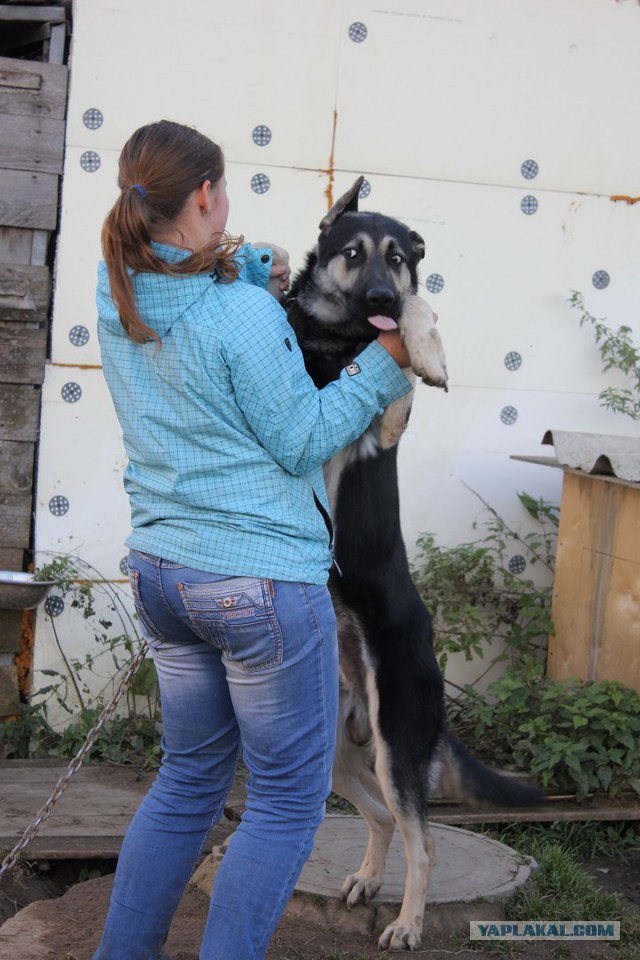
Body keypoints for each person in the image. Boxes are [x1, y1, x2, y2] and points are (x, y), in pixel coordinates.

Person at [93, 119, 413, 960]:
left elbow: (188, 283)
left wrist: (244, 262)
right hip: (258, 589)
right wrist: (385, 366)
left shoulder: (114, 285)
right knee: (284, 804)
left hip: (164, 578)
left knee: (188, 780)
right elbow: (304, 436)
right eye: (223, 193)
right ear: (205, 195)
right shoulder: (239, 317)